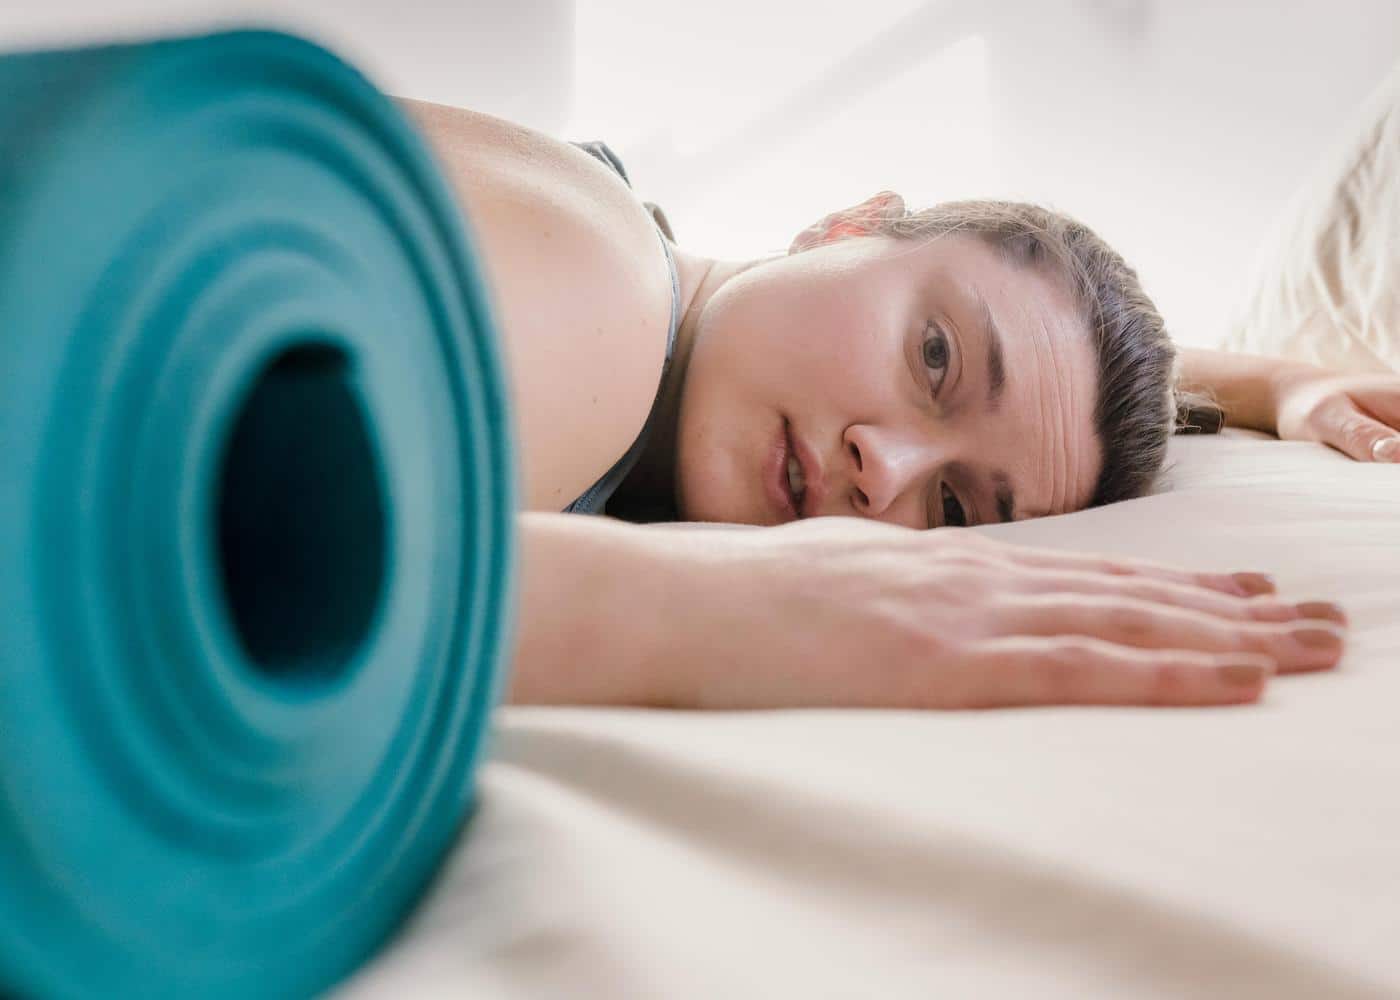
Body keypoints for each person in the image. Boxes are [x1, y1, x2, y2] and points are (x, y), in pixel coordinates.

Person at [396, 97, 1400, 712]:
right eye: (930, 356)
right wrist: (737, 614)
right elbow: (288, 575)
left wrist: (1271, 381)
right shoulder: (599, 286)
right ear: (845, 222)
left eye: (956, 507)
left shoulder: (630, 304)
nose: (888, 473)